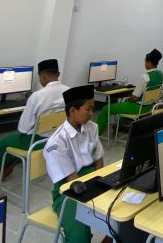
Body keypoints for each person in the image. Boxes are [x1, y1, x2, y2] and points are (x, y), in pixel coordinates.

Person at [44, 85, 105, 243]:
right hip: (68, 190)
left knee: (122, 215)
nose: (91, 114)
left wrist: (102, 181)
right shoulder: (57, 142)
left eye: (93, 109)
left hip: (93, 178)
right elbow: (72, 179)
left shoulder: (92, 128)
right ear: (72, 111)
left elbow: (99, 159)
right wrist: (95, 193)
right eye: (88, 109)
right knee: (79, 237)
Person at [0, 59, 68, 179]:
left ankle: (1, 170)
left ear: (43, 76)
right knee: (20, 141)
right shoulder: (69, 92)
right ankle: (13, 163)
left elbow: (23, 128)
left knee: (4, 142)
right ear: (58, 74)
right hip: (59, 138)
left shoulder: (37, 96)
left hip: (38, 142)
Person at [95, 49, 163, 135]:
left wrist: (129, 99)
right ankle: (117, 128)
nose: (144, 63)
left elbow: (134, 97)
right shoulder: (160, 74)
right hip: (151, 106)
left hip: (139, 108)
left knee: (106, 108)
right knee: (125, 103)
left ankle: (95, 136)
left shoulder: (145, 77)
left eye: (145, 61)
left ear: (148, 61)